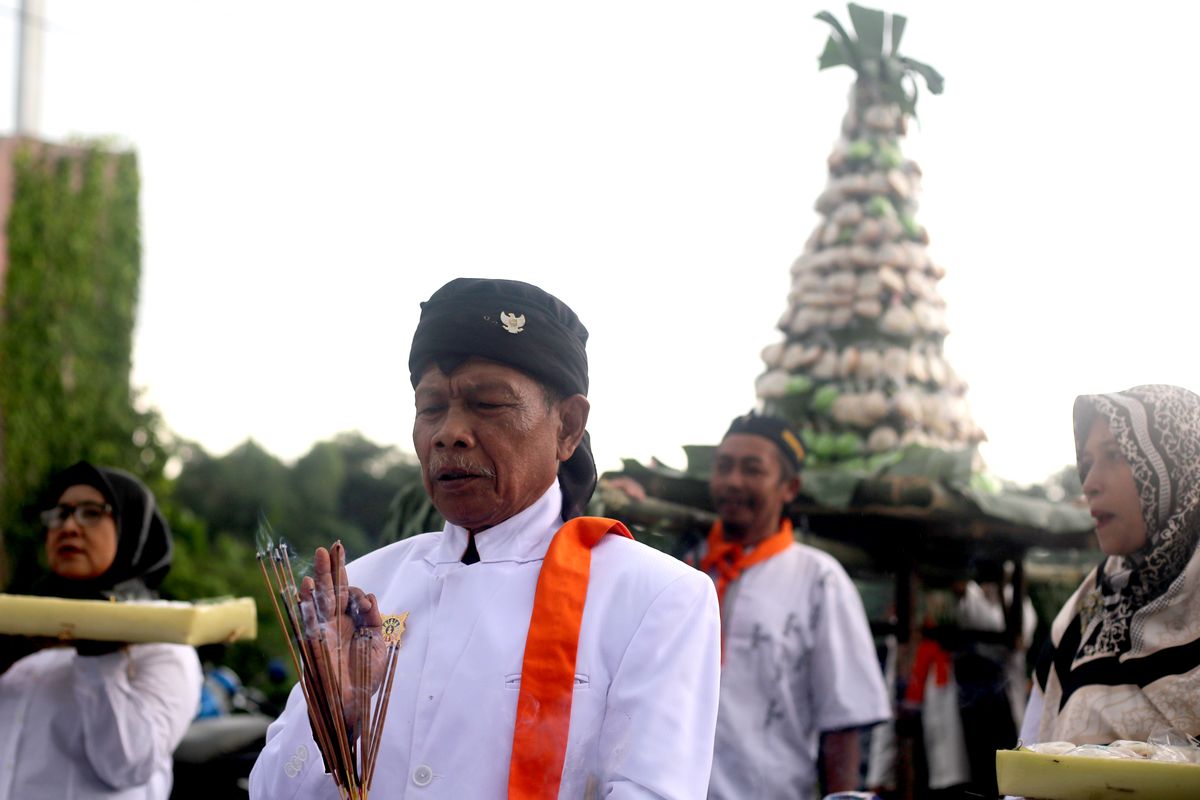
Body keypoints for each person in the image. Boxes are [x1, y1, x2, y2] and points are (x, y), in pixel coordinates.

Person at [249, 278, 722, 798]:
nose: (449, 433)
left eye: (489, 404)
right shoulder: (364, 588)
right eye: (431, 408)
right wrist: (334, 726)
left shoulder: (652, 596)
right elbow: (270, 790)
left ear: (567, 426)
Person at [699, 413, 891, 799]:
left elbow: (842, 721)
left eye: (752, 470)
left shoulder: (819, 579)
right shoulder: (684, 564)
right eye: (724, 467)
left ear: (789, 488)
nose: (733, 481)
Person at [0, 461, 203, 800]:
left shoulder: (162, 637)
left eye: (91, 512)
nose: (68, 526)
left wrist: (99, 653)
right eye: (60, 514)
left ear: (132, 526)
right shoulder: (23, 628)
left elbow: (128, 764)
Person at [1021, 385, 1200, 745]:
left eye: (1115, 456)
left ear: (1174, 464)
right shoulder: (1083, 618)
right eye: (1087, 464)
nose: (1089, 484)